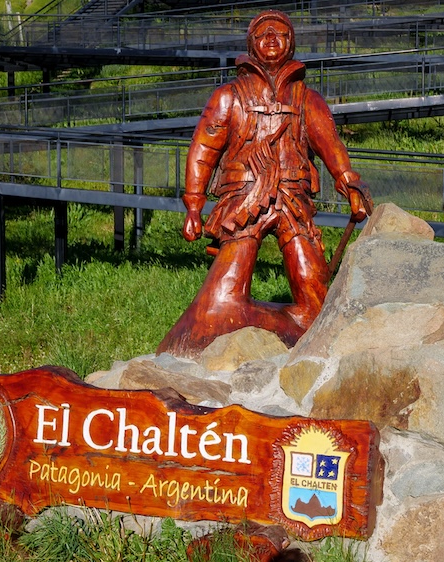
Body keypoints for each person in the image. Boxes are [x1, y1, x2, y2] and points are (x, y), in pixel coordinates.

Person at [157, 10, 371, 357]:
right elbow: (203, 151)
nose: (272, 38)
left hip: (293, 202)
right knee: (219, 299)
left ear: (292, 43)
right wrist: (194, 206)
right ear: (251, 45)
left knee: (316, 298)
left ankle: (297, 337)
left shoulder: (307, 100)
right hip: (243, 203)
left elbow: (333, 151)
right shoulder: (229, 97)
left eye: (281, 33)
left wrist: (351, 187)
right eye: (263, 33)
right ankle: (209, 339)